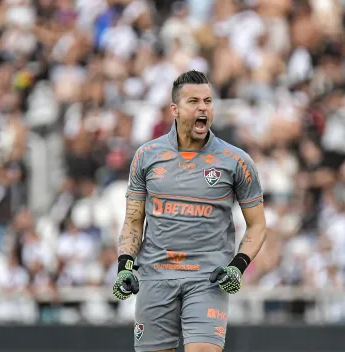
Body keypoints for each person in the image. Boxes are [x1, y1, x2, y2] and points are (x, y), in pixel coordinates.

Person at [113, 70, 267, 352]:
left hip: (207, 278)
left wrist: (238, 266)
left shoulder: (236, 161)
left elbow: (257, 224)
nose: (203, 108)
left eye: (208, 101)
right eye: (194, 101)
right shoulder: (146, 156)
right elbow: (133, 221)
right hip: (155, 275)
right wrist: (124, 266)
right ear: (175, 109)